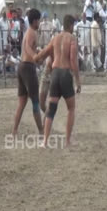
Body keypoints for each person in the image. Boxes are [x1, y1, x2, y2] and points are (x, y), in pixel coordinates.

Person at [34, 14, 81, 147]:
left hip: (54, 75)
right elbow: (73, 61)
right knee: (71, 108)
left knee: (52, 109)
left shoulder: (55, 38)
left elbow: (45, 52)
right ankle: (67, 141)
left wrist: (35, 58)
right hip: (65, 74)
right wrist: (78, 81)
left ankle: (45, 141)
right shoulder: (72, 38)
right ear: (71, 26)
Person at [12, 8, 43, 138]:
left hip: (22, 66)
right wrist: (36, 57)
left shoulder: (27, 32)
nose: (40, 23)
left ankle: (14, 131)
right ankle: (42, 131)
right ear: (35, 20)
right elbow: (27, 48)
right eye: (39, 20)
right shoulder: (32, 33)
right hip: (28, 68)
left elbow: (27, 48)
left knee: (22, 102)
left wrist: (36, 56)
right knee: (35, 101)